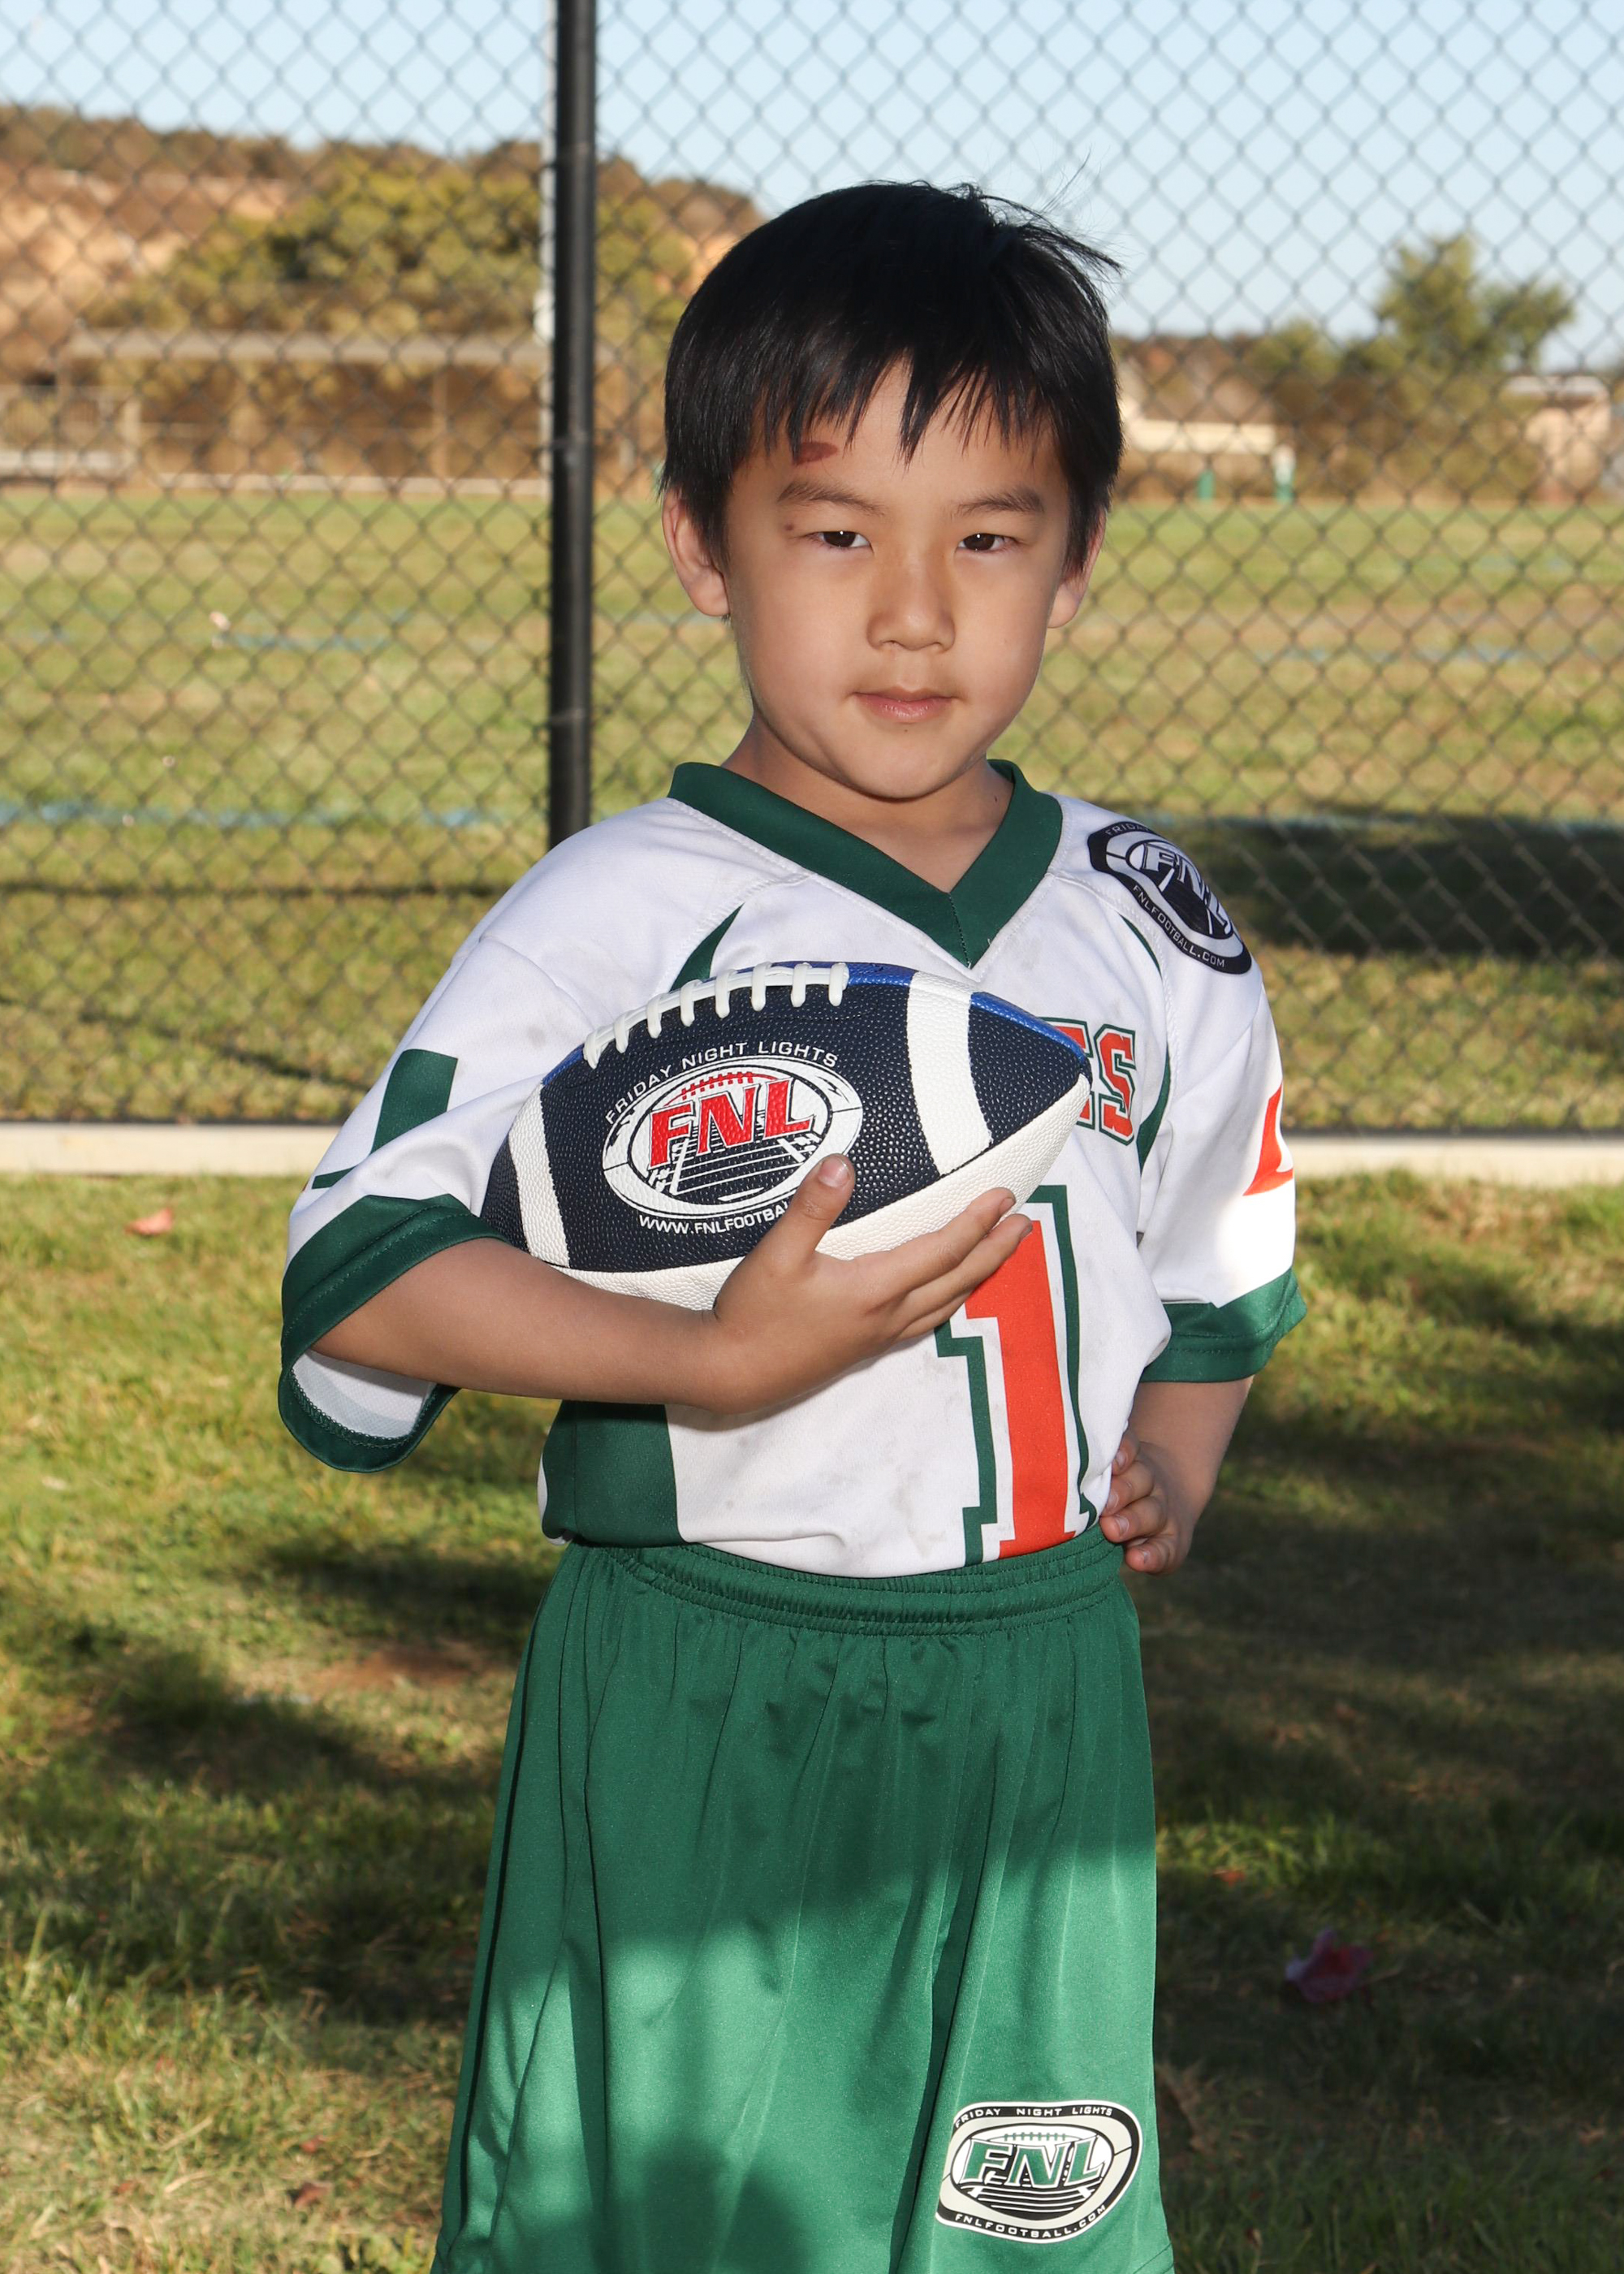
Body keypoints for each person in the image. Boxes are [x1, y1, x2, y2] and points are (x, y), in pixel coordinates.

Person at [279, 180, 1305, 2273]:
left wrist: (1177, 1471)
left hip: (1040, 1689)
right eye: (836, 536)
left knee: (1021, 2221)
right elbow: (359, 1282)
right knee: (657, 2218)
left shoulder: (1145, 914)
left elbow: (1219, 1252)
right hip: (702, 1677)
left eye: (988, 541)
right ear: (702, 545)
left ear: (1076, 564)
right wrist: (706, 1360)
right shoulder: (618, 915)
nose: (913, 617)